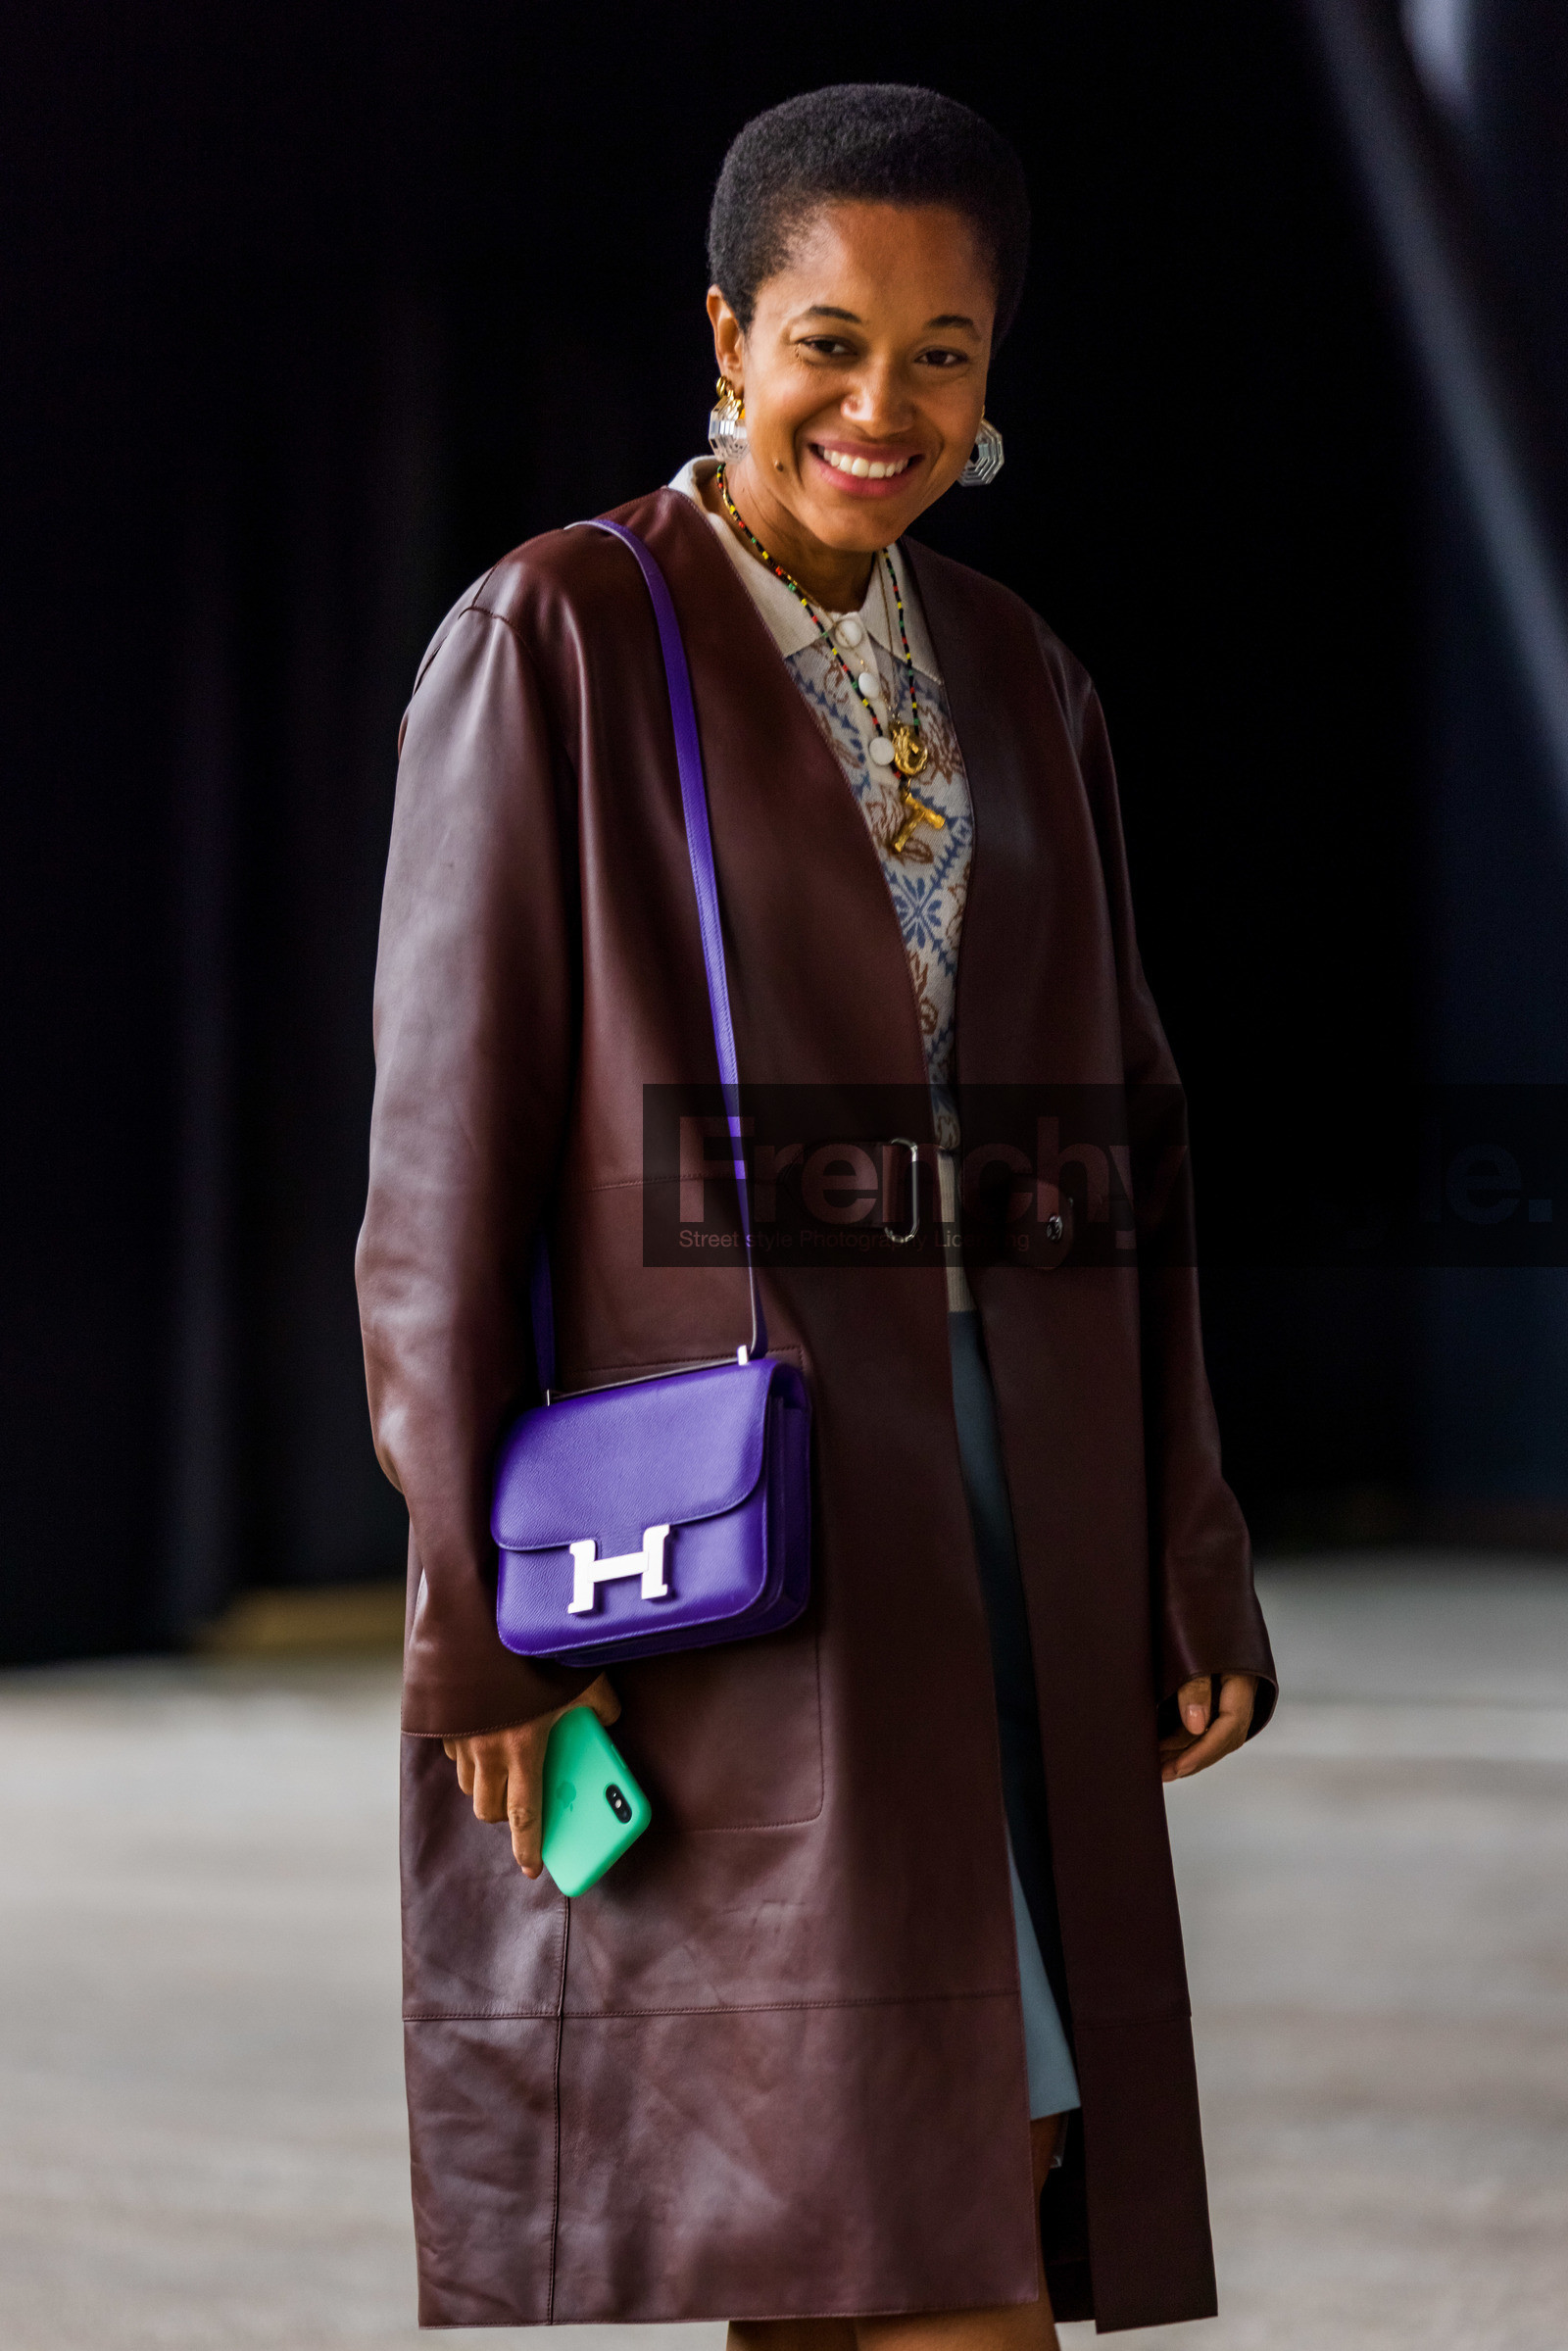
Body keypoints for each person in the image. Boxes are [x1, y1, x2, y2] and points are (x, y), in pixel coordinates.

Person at [357, 81, 1276, 2345]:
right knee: (890, 2188)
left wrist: (1179, 1535)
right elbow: (442, 1161)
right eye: (828, 342)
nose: (882, 404)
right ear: (726, 332)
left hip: (1017, 1508)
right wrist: (473, 1611)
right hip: (739, 1535)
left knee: (884, 2200)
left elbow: (1118, 1128)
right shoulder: (558, 637)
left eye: (941, 353)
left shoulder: (1018, 674)